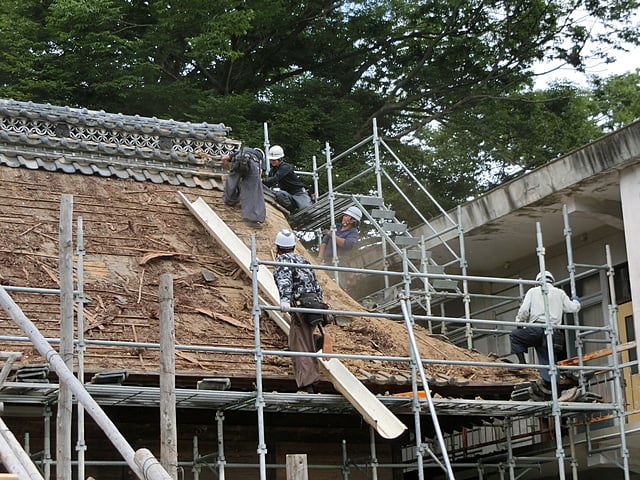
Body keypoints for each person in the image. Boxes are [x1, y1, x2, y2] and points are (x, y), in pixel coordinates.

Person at [273, 229, 327, 393]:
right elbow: (317, 285)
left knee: (299, 345)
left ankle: (308, 384)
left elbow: (285, 282)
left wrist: (284, 299)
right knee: (301, 339)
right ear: (294, 247)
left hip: (300, 306)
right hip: (314, 306)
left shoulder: (282, 261)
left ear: (278, 247)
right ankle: (317, 341)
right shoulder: (304, 261)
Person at [509, 270, 581, 385]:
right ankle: (553, 389)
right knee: (549, 363)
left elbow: (523, 311)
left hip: (536, 330)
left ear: (537, 282)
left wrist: (519, 323)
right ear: (552, 281)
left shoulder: (533, 291)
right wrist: (576, 301)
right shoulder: (560, 293)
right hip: (554, 334)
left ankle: (522, 364)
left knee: (515, 336)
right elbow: (572, 308)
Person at [316, 206, 361, 290]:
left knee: (338, 285)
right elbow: (324, 243)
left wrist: (332, 235)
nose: (344, 217)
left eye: (347, 216)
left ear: (352, 221)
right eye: (345, 215)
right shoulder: (336, 226)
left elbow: (347, 244)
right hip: (328, 261)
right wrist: (319, 258)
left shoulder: (353, 232)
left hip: (340, 263)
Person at [221, 146, 266, 227]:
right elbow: (260, 173)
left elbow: (224, 158)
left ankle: (229, 200)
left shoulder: (242, 151)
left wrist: (231, 169)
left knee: (232, 179)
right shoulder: (260, 157)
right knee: (252, 189)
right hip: (253, 164)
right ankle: (251, 218)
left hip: (239, 158)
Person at [262, 145, 312, 212]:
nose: (272, 161)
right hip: (288, 195)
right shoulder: (272, 171)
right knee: (279, 194)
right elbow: (269, 183)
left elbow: (275, 178)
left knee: (306, 210)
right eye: (271, 160)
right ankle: (292, 211)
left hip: (298, 193)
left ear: (280, 159)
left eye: (274, 160)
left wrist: (261, 180)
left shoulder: (286, 167)